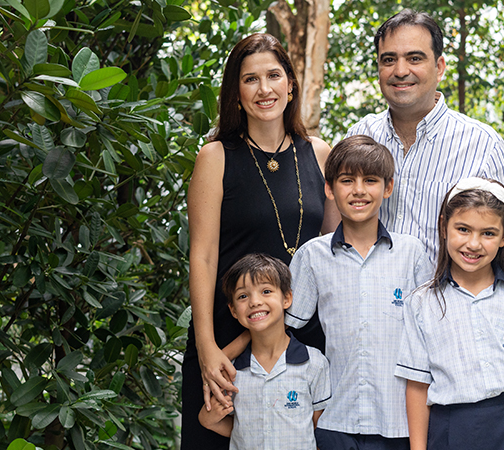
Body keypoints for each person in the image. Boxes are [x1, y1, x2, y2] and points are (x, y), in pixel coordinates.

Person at [344, 9, 504, 374]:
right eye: (388, 60)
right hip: (374, 330)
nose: (400, 71)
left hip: (455, 331)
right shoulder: (361, 136)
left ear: (440, 66)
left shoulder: (480, 142)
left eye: (415, 58)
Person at [185, 33, 339, 450]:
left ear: (291, 84)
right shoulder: (215, 156)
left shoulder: (321, 154)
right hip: (226, 331)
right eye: (250, 79)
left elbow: (332, 252)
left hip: (301, 334)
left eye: (274, 75)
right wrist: (206, 346)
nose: (264, 89)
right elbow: (202, 255)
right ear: (236, 92)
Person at [286, 135, 432, 450]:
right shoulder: (312, 256)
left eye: (370, 180)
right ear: (329, 188)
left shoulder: (412, 254)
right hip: (333, 420)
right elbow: (283, 331)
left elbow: (432, 335)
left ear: (388, 187)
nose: (359, 190)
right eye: (347, 180)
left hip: (399, 423)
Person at [395, 177, 504, 450]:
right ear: (444, 226)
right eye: (463, 229)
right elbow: (418, 387)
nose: (474, 244)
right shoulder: (421, 303)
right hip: (449, 430)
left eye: (488, 233)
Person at [198, 253, 331, 449]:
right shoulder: (231, 371)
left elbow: (319, 429)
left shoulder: (314, 363)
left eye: (266, 291)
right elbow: (241, 429)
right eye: (243, 296)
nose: (255, 302)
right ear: (233, 310)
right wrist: (207, 419)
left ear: (287, 298)